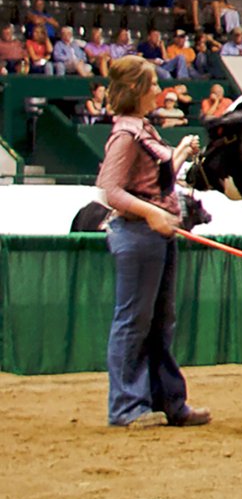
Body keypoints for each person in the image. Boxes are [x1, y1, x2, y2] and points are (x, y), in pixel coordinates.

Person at [95, 55, 210, 428]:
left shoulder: (143, 128)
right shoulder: (126, 135)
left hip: (156, 235)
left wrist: (177, 155)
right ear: (136, 90)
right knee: (133, 320)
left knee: (161, 321)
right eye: (154, 85)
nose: (161, 90)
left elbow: (155, 183)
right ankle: (127, 407)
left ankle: (167, 401)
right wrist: (149, 213)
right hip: (139, 235)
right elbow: (109, 190)